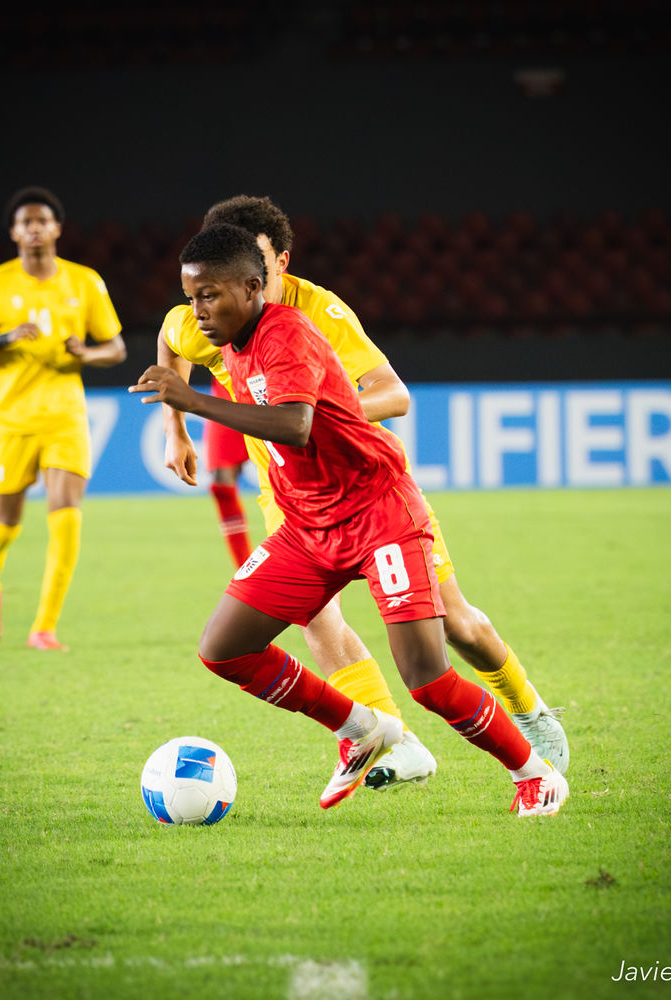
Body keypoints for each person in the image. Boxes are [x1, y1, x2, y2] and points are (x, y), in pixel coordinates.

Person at [132, 223, 568, 816]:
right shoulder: (222, 332)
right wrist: (174, 427)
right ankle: (363, 727)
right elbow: (169, 335)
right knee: (224, 648)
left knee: (428, 675)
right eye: (191, 297)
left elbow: (296, 425)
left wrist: (193, 403)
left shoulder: (290, 331)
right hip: (307, 523)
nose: (197, 311)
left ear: (256, 286)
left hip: (378, 512)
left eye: (209, 296)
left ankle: (535, 773)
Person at [0, 186, 127, 650]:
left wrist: (86, 353)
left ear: (57, 229)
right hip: (10, 419)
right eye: (25, 222)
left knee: (67, 517)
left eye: (42, 221)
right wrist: (2, 339)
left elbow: (117, 347)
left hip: (65, 416)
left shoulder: (85, 282)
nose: (34, 228)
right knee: (4, 525)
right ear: (14, 232)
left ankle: (44, 627)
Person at [204, 375, 253, 567]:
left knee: (291, 473)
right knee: (221, 480)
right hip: (227, 385)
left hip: (268, 382)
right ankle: (246, 568)